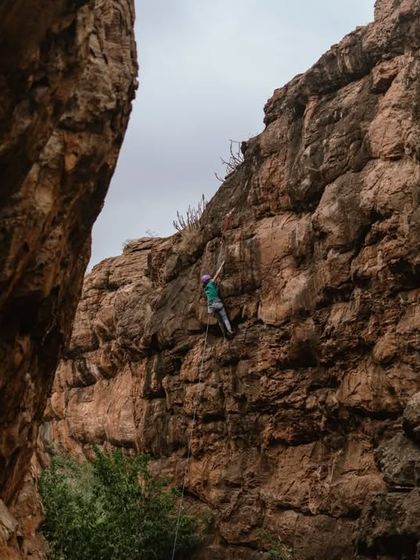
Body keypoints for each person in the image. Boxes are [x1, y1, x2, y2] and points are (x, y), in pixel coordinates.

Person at [201, 261, 234, 338]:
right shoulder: (211, 283)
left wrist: (209, 311)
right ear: (208, 280)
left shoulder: (205, 289)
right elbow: (217, 274)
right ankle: (230, 330)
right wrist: (222, 265)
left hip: (211, 306)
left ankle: (224, 335)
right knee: (225, 318)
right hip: (218, 303)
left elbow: (208, 299)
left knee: (220, 322)